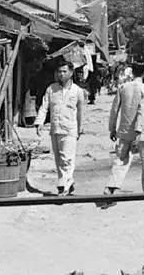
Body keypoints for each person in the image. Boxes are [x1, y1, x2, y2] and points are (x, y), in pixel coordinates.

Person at [99, 63, 144, 208]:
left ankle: (111, 188)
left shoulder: (123, 87)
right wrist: (138, 132)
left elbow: (114, 110)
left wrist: (112, 129)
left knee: (120, 160)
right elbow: (142, 112)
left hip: (123, 130)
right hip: (140, 132)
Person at [35, 60, 86, 196]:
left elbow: (81, 112)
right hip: (55, 128)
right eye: (59, 71)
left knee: (66, 158)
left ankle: (63, 185)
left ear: (70, 73)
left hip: (70, 129)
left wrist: (80, 128)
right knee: (58, 159)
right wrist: (39, 122)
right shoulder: (51, 89)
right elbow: (44, 106)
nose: (61, 74)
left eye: (64, 71)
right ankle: (69, 181)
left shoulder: (78, 91)